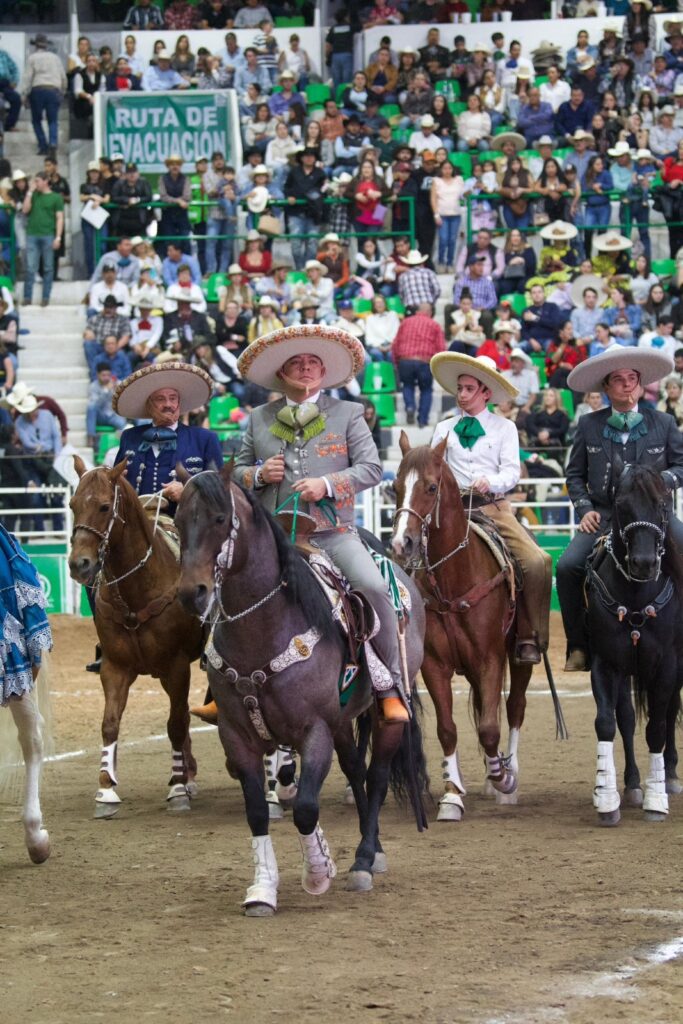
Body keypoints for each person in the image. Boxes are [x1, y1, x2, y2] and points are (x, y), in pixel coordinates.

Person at [223, 323, 409, 725]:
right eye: (297, 362)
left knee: (375, 587)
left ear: (323, 373)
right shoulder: (259, 418)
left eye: (313, 363)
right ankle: (219, 687)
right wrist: (257, 476)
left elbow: (373, 468)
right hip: (272, 540)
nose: (306, 368)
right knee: (228, 593)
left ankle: (388, 686)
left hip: (333, 533)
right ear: (281, 373)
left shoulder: (348, 413)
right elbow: (236, 471)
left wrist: (327, 483)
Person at [557, 347, 683, 672]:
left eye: (632, 379)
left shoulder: (664, 422)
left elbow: (682, 464)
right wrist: (584, 508)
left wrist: (663, 480)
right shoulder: (588, 425)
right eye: (618, 380)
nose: (627, 385)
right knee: (568, 567)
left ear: (640, 385)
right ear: (606, 387)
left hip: (654, 519)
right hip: (605, 517)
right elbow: (574, 474)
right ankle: (578, 646)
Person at [430, 352, 552, 664]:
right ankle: (419, 628)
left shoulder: (505, 428)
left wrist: (491, 481)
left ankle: (529, 636)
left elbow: (512, 472)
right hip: (450, 512)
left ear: (486, 392)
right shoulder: (444, 428)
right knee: (409, 559)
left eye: (469, 388)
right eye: (459, 388)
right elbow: (432, 469)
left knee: (537, 562)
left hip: (492, 508)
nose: (462, 394)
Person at [113, 361, 222, 513]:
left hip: (187, 529)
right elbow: (115, 486)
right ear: (149, 405)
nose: (168, 404)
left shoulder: (204, 439)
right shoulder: (130, 437)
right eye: (160, 399)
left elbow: (220, 491)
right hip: (136, 528)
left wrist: (188, 492)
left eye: (173, 398)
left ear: (179, 403)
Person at [391, 302, 446, 427]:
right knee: (426, 390)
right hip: (425, 362)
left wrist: (395, 362)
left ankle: (410, 406)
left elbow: (395, 344)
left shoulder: (405, 322)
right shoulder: (435, 325)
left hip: (405, 360)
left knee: (407, 385)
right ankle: (422, 420)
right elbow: (441, 348)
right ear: (430, 312)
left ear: (417, 311)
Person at [22, 172, 64, 308]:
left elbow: (60, 218)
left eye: (38, 181)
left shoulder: (56, 197)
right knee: (30, 267)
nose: (36, 184)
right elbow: (25, 210)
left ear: (46, 181)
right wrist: (29, 193)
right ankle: (27, 297)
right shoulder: (33, 195)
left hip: (48, 234)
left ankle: (45, 297)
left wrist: (58, 237)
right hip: (32, 234)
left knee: (48, 268)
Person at [20, 33, 66, 157]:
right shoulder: (55, 58)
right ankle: (53, 143)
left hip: (38, 89)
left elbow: (27, 77)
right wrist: (63, 91)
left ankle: (43, 146)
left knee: (36, 120)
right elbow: (62, 76)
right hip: (53, 89)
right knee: (53, 120)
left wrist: (24, 94)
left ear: (35, 46)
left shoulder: (32, 58)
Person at [86, 361, 128, 450]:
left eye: (108, 375)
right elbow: (96, 404)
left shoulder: (116, 383)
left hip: (113, 415)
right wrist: (106, 391)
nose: (106, 378)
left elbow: (125, 399)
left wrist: (119, 390)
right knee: (91, 407)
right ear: (98, 375)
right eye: (103, 375)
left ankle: (120, 445)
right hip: (100, 416)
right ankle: (91, 437)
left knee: (123, 425)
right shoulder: (93, 386)